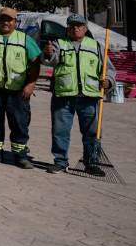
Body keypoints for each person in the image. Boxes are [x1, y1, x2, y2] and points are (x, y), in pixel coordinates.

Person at [43, 14, 115, 176]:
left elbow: (108, 69)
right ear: (67, 28)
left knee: (92, 132)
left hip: (89, 97)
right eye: (72, 26)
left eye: (79, 25)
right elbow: (50, 60)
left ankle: (91, 163)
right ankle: (60, 162)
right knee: (60, 131)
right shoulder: (59, 44)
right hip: (63, 96)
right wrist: (47, 53)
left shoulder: (96, 46)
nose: (76, 28)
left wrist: (108, 81)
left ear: (85, 28)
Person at [0, 7, 40, 168]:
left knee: (19, 122)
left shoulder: (25, 39)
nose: (5, 22)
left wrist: (31, 84)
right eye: (2, 19)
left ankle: (20, 155)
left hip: (18, 90)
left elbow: (36, 62)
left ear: (15, 22)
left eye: (9, 20)